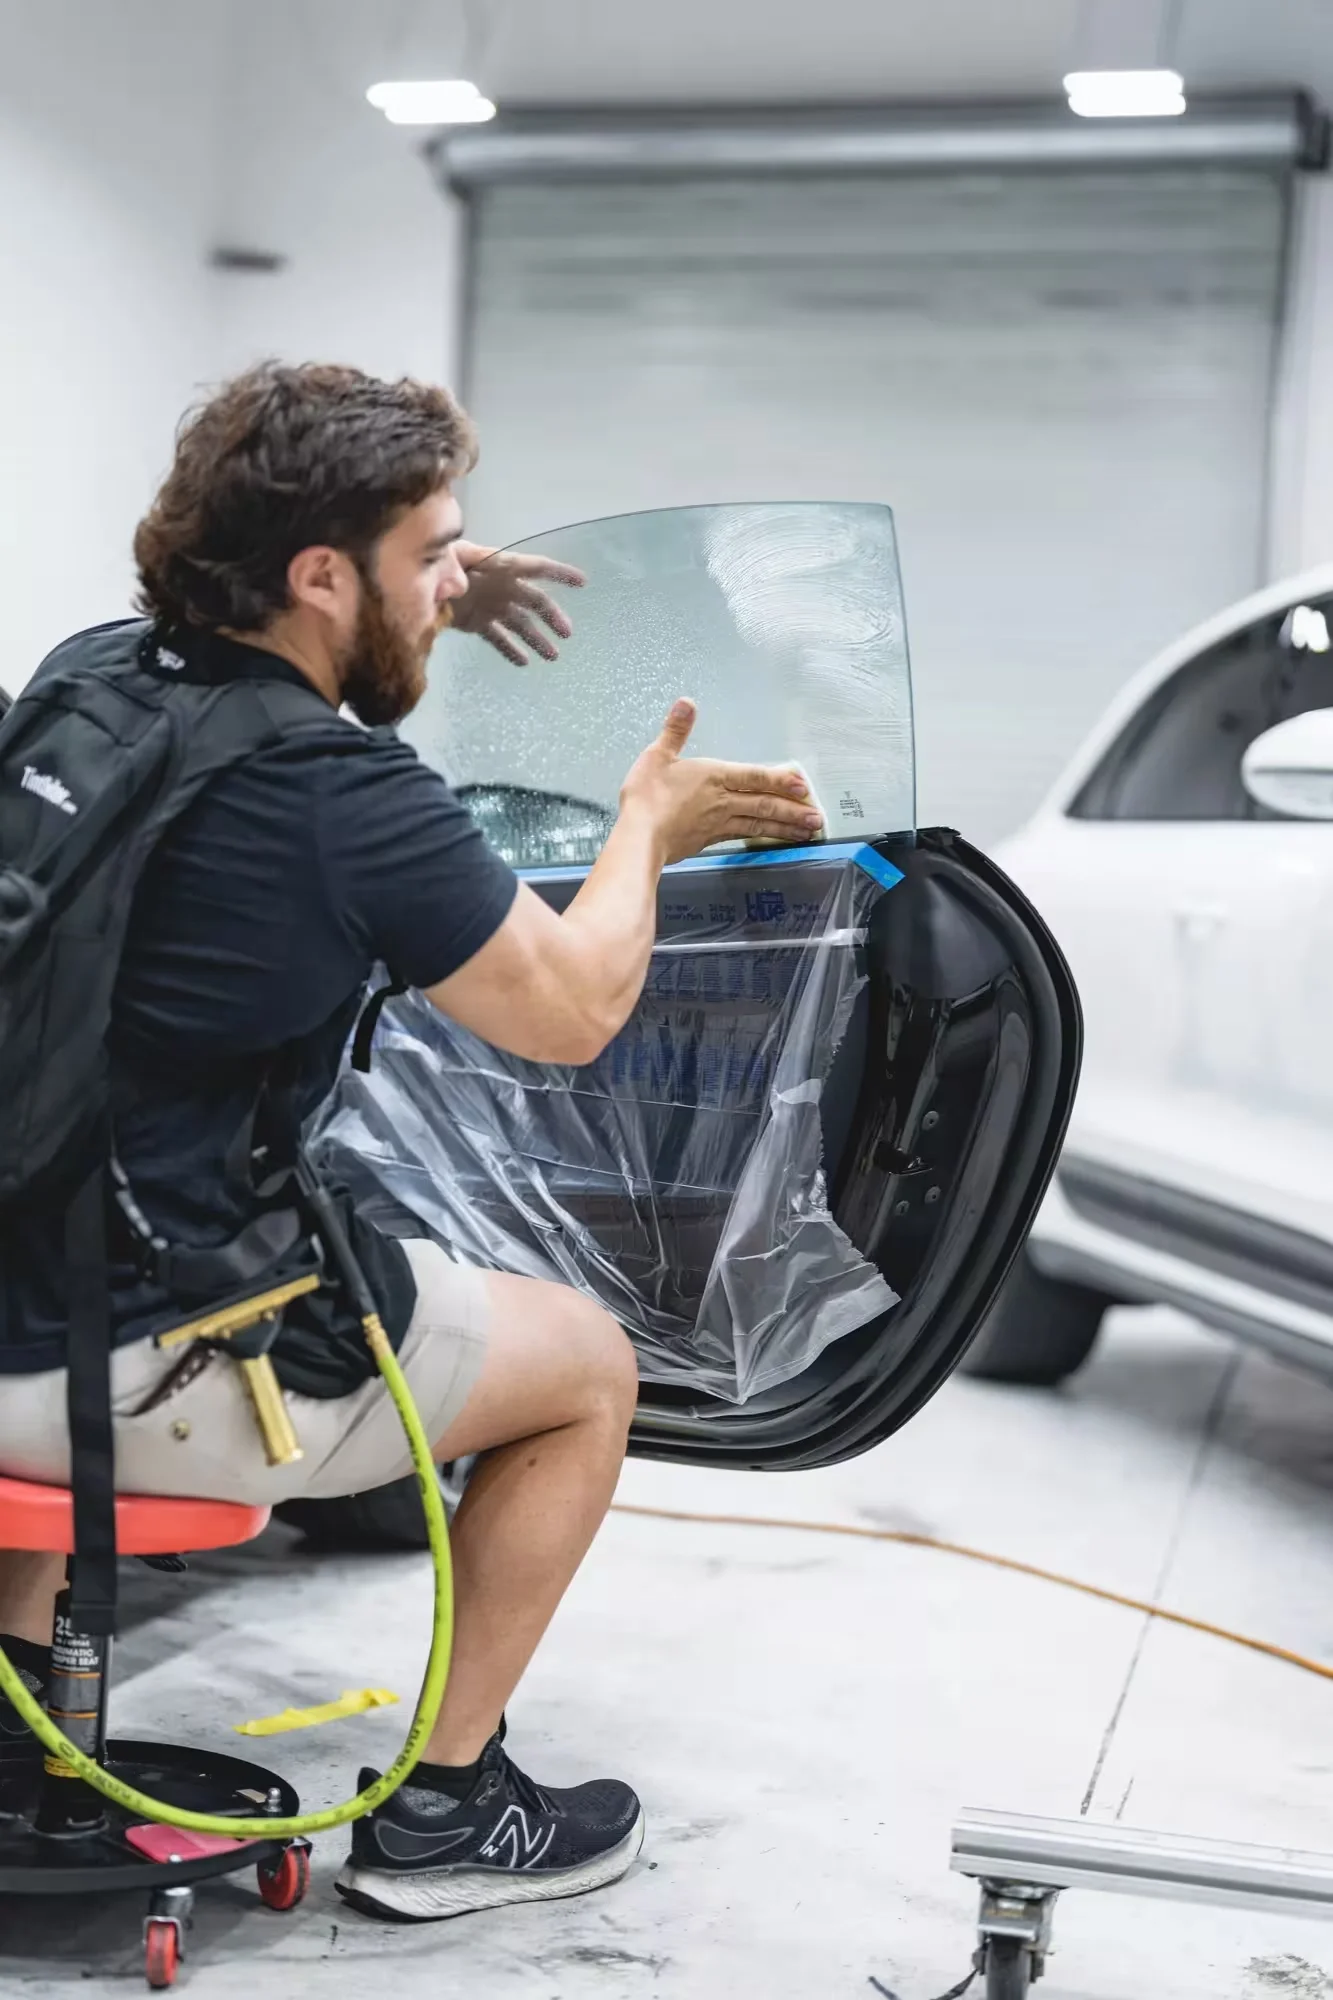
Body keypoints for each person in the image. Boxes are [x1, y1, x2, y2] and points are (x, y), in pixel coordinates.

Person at [0, 362, 823, 1922]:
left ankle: (14, 1721)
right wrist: (646, 827)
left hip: (10, 1304)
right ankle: (449, 1808)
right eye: (434, 552)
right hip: (125, 1374)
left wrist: (422, 582)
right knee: (586, 1366)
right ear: (320, 577)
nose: (457, 578)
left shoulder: (84, 685)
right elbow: (572, 1009)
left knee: (83, 1202)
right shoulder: (341, 795)